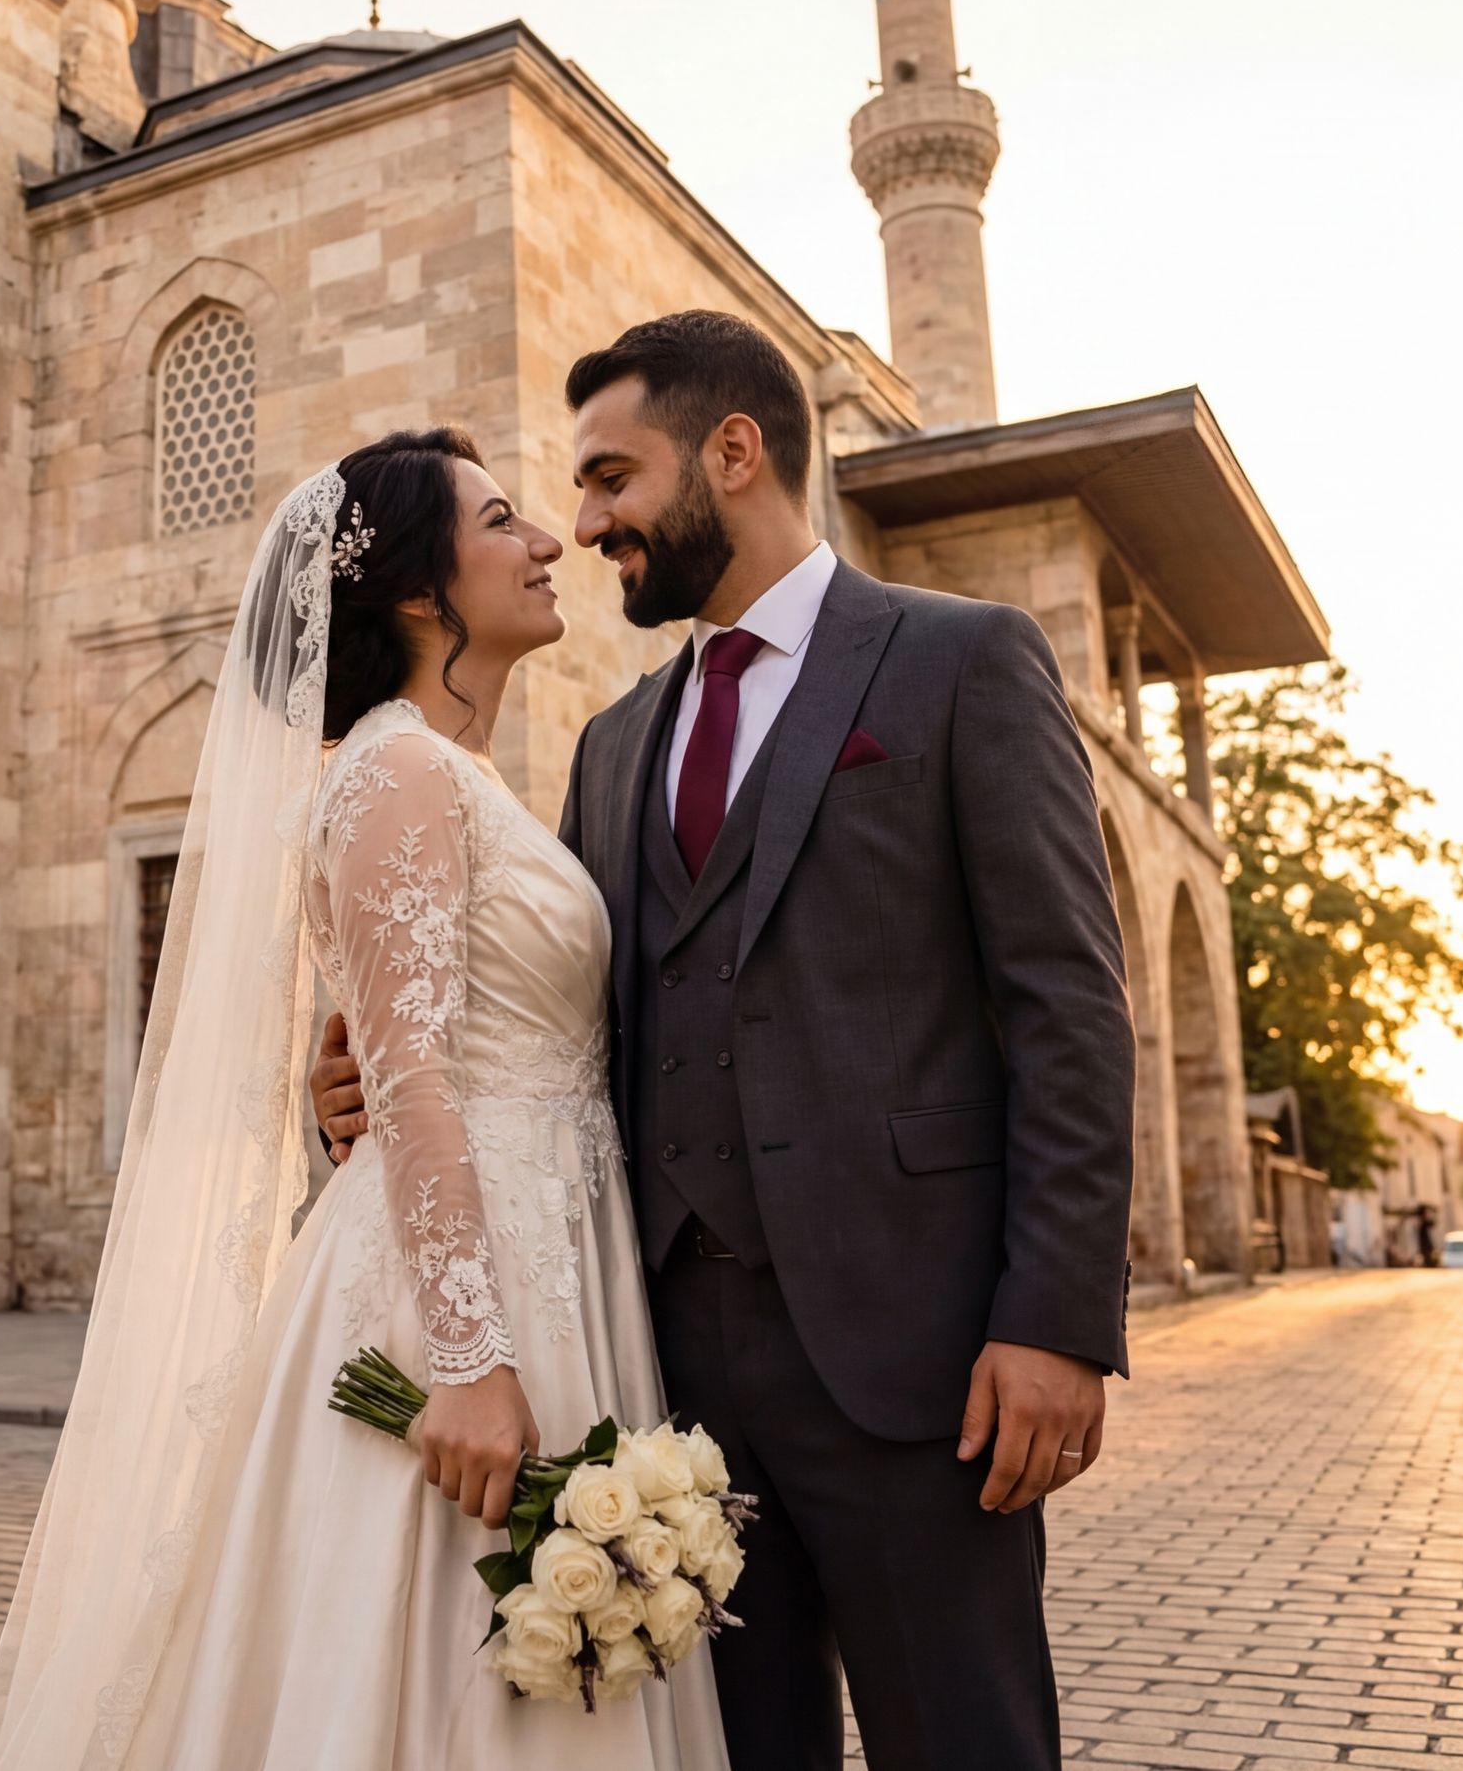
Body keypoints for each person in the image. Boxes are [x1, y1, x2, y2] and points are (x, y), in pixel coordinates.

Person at [317, 312, 1136, 1770]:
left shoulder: (961, 661)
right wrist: (367, 1078)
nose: (586, 523)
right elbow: (569, 1012)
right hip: (662, 1384)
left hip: (921, 1367)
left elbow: (1067, 1006)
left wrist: (1056, 1319)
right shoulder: (614, 743)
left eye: (614, 478)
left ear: (734, 453)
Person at [0, 431, 727, 1770]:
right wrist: (476, 1360)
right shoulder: (395, 769)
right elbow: (417, 1075)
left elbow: (409, 1035)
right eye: (504, 520)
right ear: (426, 592)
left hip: (547, 1250)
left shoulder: (453, 772)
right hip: (465, 1299)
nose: (549, 539)